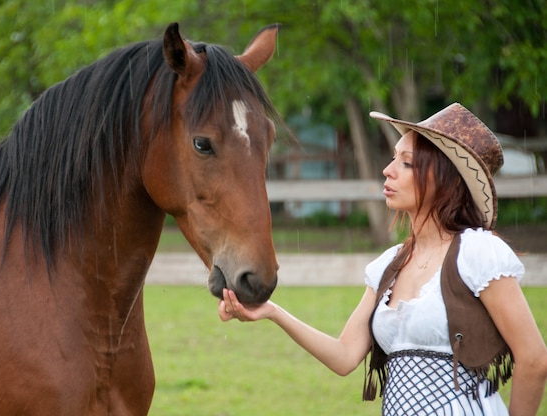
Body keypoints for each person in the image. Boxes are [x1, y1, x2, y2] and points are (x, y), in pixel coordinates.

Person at [218, 103, 547, 415]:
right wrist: (273, 312)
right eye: (393, 158)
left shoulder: (478, 252)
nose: (388, 171)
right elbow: (345, 356)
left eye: (406, 162)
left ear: (443, 178)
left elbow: (533, 359)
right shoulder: (390, 265)